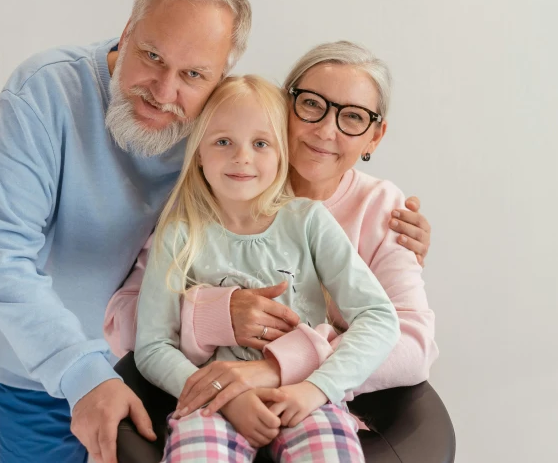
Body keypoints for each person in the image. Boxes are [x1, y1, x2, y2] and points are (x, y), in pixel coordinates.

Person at [0, 0, 429, 462]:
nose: (165, 92)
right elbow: (1, 255)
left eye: (192, 74)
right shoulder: (48, 93)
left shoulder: (241, 147)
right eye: (151, 56)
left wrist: (276, 367)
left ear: (219, 79)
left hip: (193, 391)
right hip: (50, 379)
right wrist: (205, 322)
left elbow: (398, 332)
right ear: (127, 30)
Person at [105, 42, 437, 429]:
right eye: (313, 104)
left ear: (374, 137)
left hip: (311, 404)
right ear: (284, 106)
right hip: (216, 405)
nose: (327, 129)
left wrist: (275, 367)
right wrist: (213, 315)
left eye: (353, 117)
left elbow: (413, 345)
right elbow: (124, 320)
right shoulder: (205, 196)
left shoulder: (387, 210)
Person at [134, 74, 399, 462]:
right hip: (214, 405)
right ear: (199, 152)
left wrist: (317, 389)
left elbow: (378, 317)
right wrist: (226, 396)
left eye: (261, 144)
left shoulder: (308, 221)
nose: (242, 157)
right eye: (223, 142)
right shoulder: (178, 235)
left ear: (281, 155)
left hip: (303, 396)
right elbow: (153, 346)